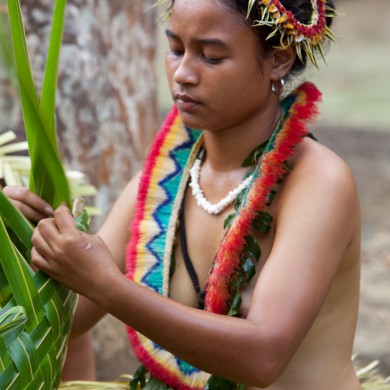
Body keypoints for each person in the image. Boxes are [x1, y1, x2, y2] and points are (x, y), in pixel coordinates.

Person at [4, 0, 361, 388]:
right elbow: (69, 316)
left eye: (211, 57)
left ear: (278, 59)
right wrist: (26, 247)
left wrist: (107, 285)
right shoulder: (169, 176)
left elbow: (263, 356)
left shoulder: (319, 182)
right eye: (175, 49)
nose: (182, 74)